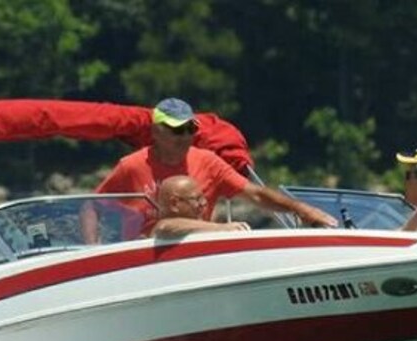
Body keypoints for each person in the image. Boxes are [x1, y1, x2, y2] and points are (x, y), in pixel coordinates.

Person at [82, 97, 337, 241]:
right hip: (144, 259)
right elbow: (91, 206)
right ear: (156, 132)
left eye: (190, 129)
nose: (184, 136)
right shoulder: (131, 166)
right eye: (176, 130)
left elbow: (255, 194)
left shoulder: (208, 161)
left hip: (198, 252)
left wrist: (302, 210)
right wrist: (92, 252)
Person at [151, 175, 251, 238]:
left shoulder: (200, 230)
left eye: (203, 198)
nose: (203, 204)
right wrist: (222, 228)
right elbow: (165, 226)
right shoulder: (162, 230)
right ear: (174, 204)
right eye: (197, 199)